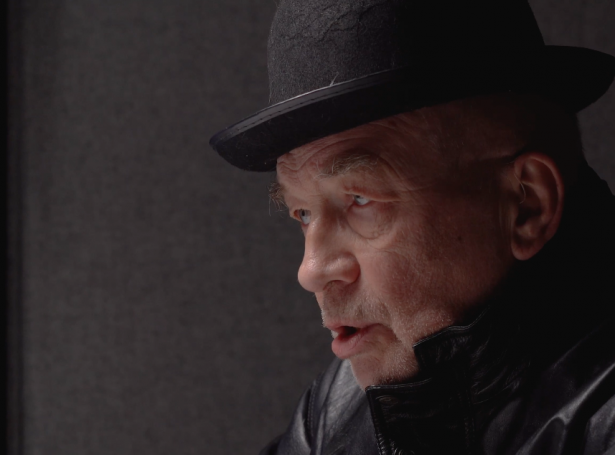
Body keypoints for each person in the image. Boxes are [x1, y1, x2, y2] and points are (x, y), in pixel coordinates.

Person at [210, 0, 615, 453]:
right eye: (302, 213)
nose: (312, 270)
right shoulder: (338, 409)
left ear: (526, 205)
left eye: (360, 200)